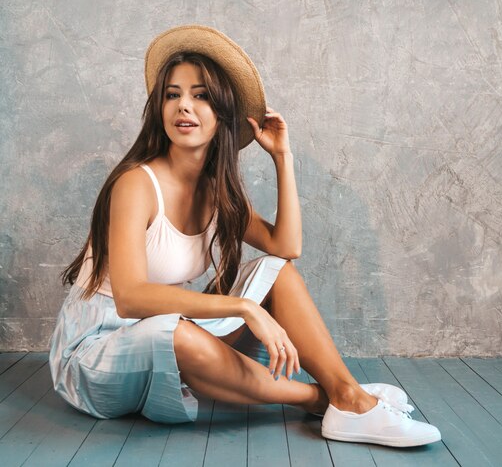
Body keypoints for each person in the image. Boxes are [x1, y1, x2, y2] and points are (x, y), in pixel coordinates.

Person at [48, 25, 441, 448]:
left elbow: (286, 248)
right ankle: (328, 399)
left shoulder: (215, 191)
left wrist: (282, 157)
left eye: (200, 96)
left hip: (165, 329)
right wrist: (243, 308)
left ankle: (347, 393)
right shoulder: (136, 184)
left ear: (223, 115)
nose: (184, 106)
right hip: (96, 352)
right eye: (172, 94)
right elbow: (131, 298)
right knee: (175, 333)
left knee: (277, 272)